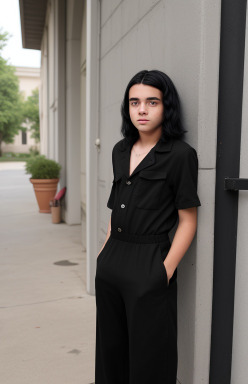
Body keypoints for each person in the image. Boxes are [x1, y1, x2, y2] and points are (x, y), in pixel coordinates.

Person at [95, 69, 201, 384]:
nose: (142, 109)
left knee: (151, 359)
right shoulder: (120, 150)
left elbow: (188, 220)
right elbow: (116, 206)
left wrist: (163, 271)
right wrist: (103, 252)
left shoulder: (180, 155)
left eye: (152, 102)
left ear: (166, 106)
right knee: (110, 354)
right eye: (134, 102)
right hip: (113, 261)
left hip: (149, 262)